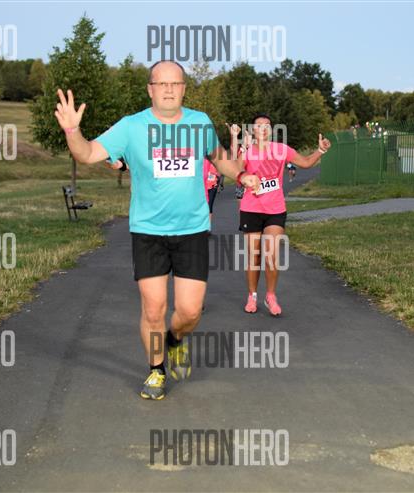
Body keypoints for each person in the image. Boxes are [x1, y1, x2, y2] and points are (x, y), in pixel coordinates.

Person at [54, 60, 260, 400]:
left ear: (183, 89)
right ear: (150, 89)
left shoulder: (199, 122)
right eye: (161, 83)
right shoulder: (130, 127)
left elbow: (220, 158)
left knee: (189, 312)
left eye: (175, 83)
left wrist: (240, 174)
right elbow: (88, 154)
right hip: (148, 231)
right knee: (153, 309)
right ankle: (156, 370)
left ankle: (175, 340)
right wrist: (72, 132)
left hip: (192, 229)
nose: (168, 89)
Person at [233, 114, 330, 316]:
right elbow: (235, 172)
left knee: (271, 254)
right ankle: (252, 295)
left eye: (267, 125)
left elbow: (305, 163)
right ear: (252, 130)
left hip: (275, 210)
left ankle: (271, 296)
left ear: (271, 130)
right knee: (254, 256)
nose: (263, 128)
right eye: (258, 126)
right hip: (251, 209)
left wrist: (320, 150)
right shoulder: (248, 152)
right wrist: (244, 173)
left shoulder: (281, 149)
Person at [204, 157, 221, 224]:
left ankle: (208, 226)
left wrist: (219, 183)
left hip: (213, 186)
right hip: (203, 186)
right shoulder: (202, 161)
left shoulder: (216, 161)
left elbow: (220, 173)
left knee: (209, 205)